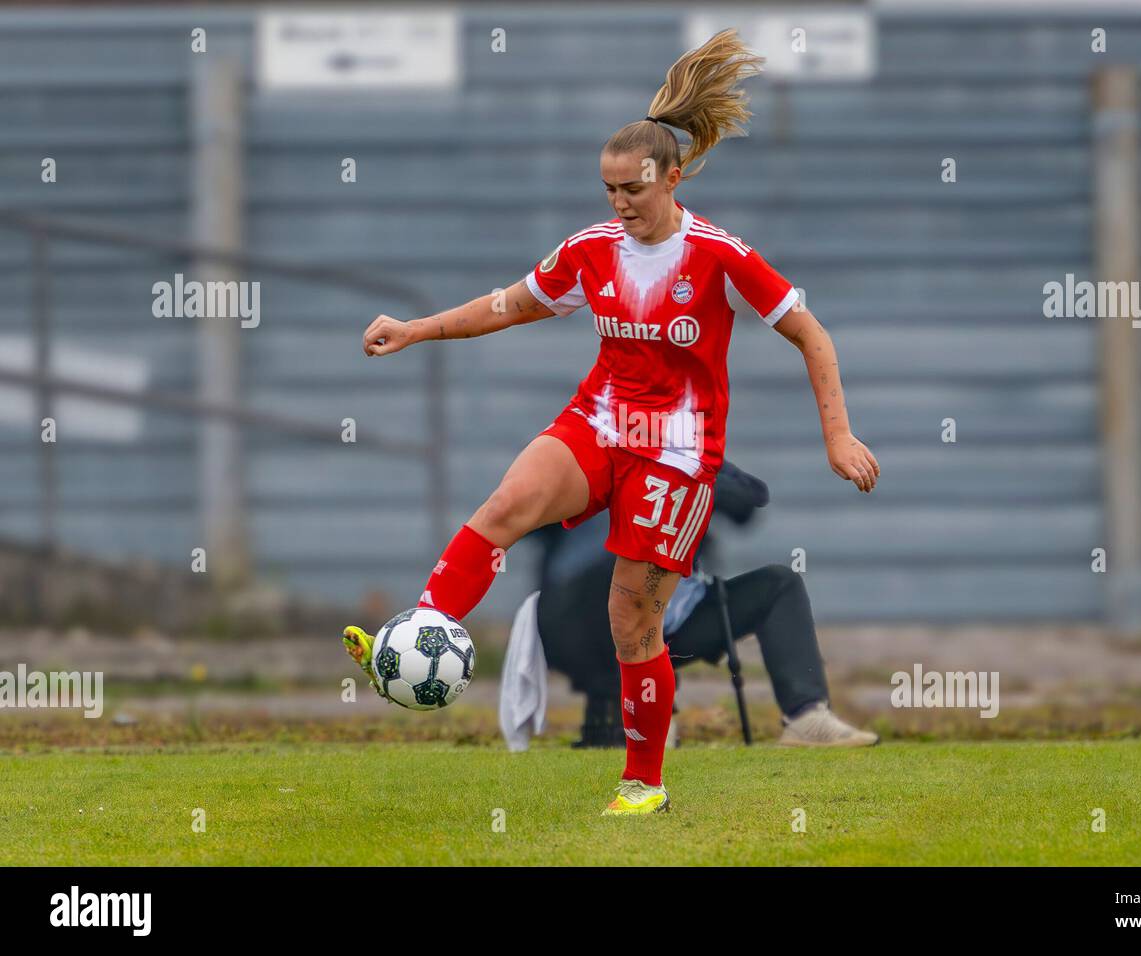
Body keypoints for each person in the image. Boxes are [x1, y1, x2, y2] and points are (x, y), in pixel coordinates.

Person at [342, 29, 880, 816]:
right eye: (608, 189)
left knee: (631, 619)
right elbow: (508, 305)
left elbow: (810, 332)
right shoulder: (592, 250)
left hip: (677, 455)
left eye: (631, 187)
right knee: (505, 506)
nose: (619, 202)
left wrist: (838, 433)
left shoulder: (721, 255)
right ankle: (416, 639)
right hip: (599, 422)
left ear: (671, 177)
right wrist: (417, 327)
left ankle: (644, 782)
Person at [528, 460, 878, 749]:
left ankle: (807, 717)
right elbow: (530, 515)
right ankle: (643, 720)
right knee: (614, 571)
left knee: (778, 584)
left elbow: (751, 499)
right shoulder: (595, 456)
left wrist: (698, 479)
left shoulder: (692, 457)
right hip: (584, 625)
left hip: (677, 623)